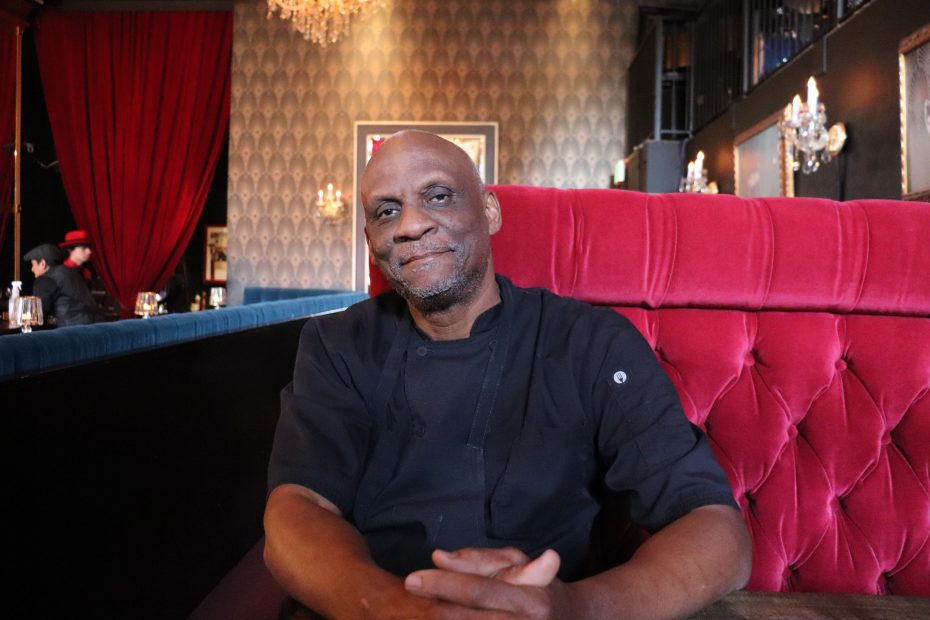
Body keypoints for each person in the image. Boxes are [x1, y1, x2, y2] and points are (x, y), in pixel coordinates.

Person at [264, 131, 752, 619]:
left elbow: (715, 529)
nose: (411, 224)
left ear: (489, 212)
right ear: (372, 240)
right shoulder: (336, 345)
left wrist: (573, 608)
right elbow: (297, 508)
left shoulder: (590, 342)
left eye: (437, 196)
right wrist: (396, 611)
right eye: (386, 211)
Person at [23, 241, 99, 327]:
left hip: (69, 332)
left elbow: (37, 316)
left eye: (33, 264)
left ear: (43, 263)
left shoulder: (46, 279)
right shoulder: (72, 272)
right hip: (93, 327)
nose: (32, 269)